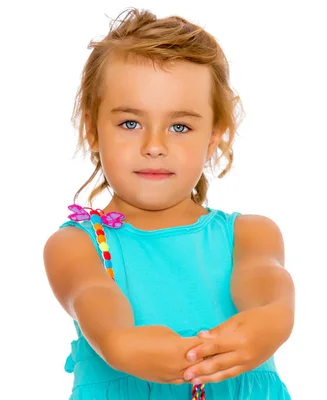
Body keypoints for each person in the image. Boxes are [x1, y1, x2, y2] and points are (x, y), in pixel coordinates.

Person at [43, 8, 295, 400]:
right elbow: (101, 312)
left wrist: (270, 322)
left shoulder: (251, 234)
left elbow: (268, 290)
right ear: (93, 130)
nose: (154, 147)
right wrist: (123, 343)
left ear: (214, 136)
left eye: (180, 127)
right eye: (130, 123)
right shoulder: (77, 246)